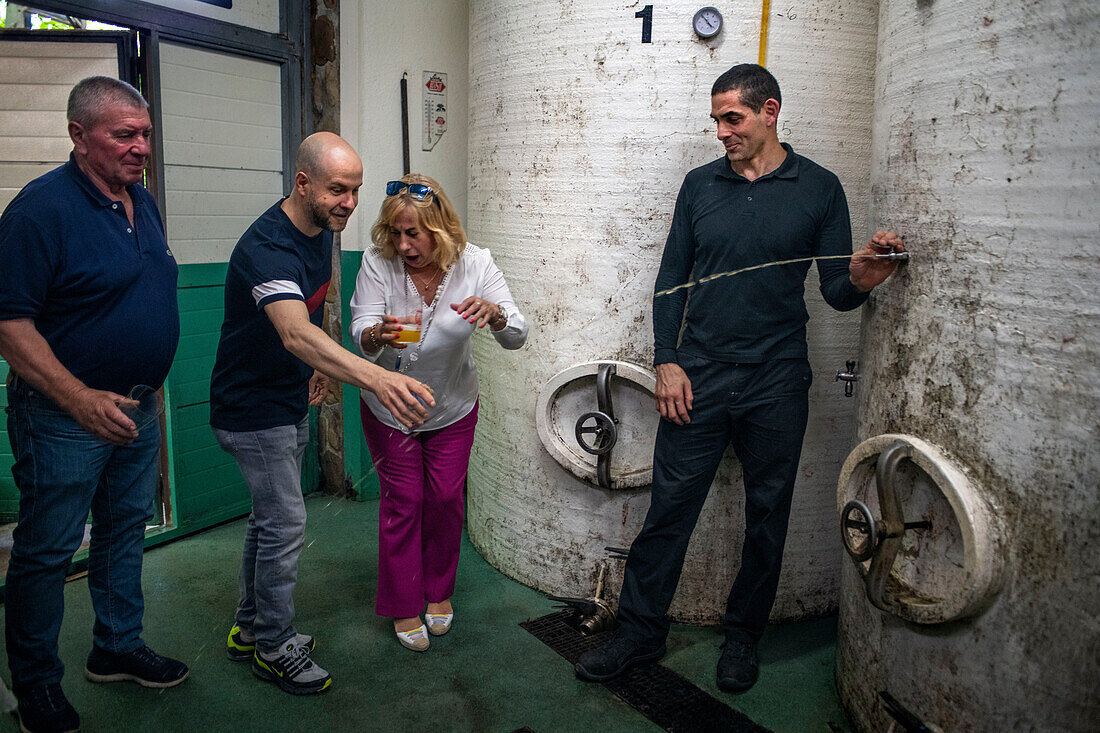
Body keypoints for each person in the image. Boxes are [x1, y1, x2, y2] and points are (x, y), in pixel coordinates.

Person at [575, 64, 905, 693]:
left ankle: (742, 639)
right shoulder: (700, 187)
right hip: (698, 374)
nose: (722, 131)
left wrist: (864, 275)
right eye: (717, 119)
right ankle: (641, 634)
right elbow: (670, 280)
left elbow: (836, 291)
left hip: (777, 380)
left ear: (770, 111)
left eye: (733, 118)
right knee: (670, 509)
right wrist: (667, 359)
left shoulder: (821, 188)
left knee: (767, 512)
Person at [209, 133, 435, 695]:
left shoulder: (319, 234)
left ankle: (249, 627)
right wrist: (376, 375)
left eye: (356, 190)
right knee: (286, 522)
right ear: (303, 182)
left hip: (285, 398)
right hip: (251, 407)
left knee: (269, 522)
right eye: (338, 189)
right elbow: (292, 330)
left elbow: (311, 313)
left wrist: (315, 367)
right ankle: (273, 645)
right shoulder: (268, 244)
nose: (349, 203)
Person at [0, 76, 188, 733]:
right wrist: (78, 398)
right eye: (124, 135)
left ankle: (115, 645)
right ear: (79, 137)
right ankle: (35, 684)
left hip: (138, 409)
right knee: (48, 551)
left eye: (145, 133)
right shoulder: (39, 211)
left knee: (119, 531)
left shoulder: (142, 201)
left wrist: (148, 382)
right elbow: (10, 325)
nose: (141, 146)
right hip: (61, 416)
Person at [349, 173, 528, 652]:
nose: (404, 245)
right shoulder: (377, 262)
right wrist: (376, 335)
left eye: (414, 234)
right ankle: (404, 603)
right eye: (396, 233)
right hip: (391, 407)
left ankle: (439, 592)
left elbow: (519, 334)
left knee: (446, 499)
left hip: (452, 406)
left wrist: (496, 314)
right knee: (404, 501)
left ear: (441, 230)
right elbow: (360, 329)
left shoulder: (476, 264)